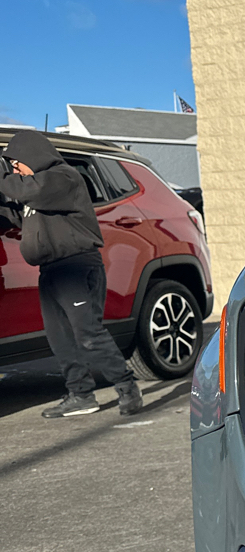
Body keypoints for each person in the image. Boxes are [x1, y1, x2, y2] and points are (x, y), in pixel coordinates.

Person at [0, 130, 143, 417]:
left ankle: (127, 388)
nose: (15, 169)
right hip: (51, 270)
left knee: (88, 334)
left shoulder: (62, 177)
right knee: (60, 338)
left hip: (76, 266)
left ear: (32, 156)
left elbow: (29, 191)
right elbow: (17, 215)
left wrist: (5, 181)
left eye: (16, 163)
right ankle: (81, 395)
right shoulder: (36, 196)